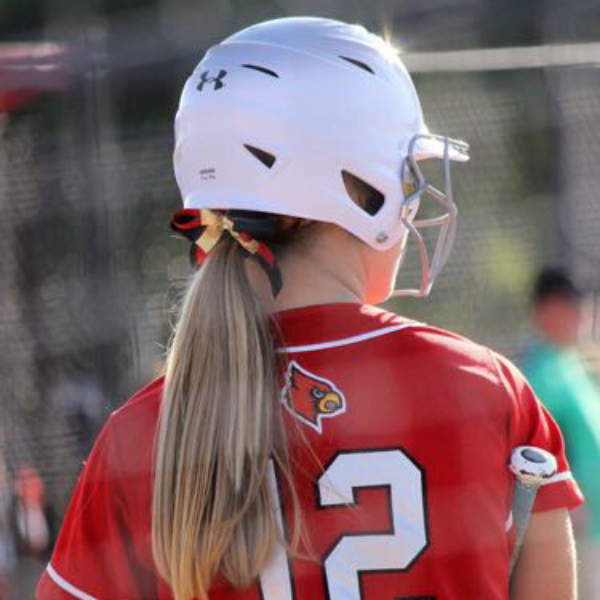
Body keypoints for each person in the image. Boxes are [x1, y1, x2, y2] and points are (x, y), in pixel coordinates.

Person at [37, 17, 583, 600]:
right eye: (407, 172)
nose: (413, 196)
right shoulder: (484, 389)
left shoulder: (144, 435)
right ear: (355, 184)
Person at [521, 267, 600, 600]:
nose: (581, 313)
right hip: (576, 528)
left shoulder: (572, 365)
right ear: (546, 310)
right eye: (569, 304)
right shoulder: (542, 375)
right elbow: (536, 451)